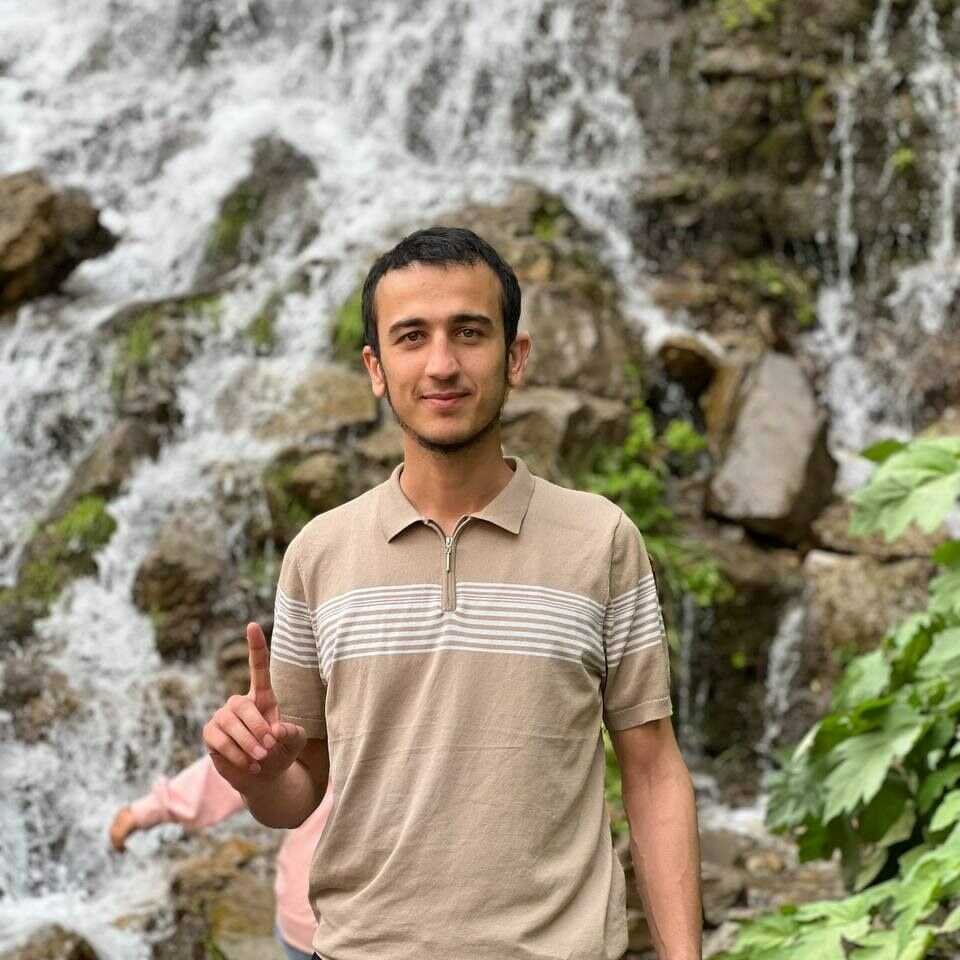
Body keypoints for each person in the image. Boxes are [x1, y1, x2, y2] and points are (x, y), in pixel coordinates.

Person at [202, 226, 703, 960]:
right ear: (376, 368)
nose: (442, 364)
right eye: (412, 337)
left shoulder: (601, 540)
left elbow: (653, 772)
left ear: (515, 356)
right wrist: (256, 776)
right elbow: (296, 794)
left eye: (469, 332)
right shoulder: (319, 553)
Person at [108, 754, 332, 960]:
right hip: (310, 922)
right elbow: (251, 758)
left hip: (313, 916)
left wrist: (154, 807)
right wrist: (154, 807)